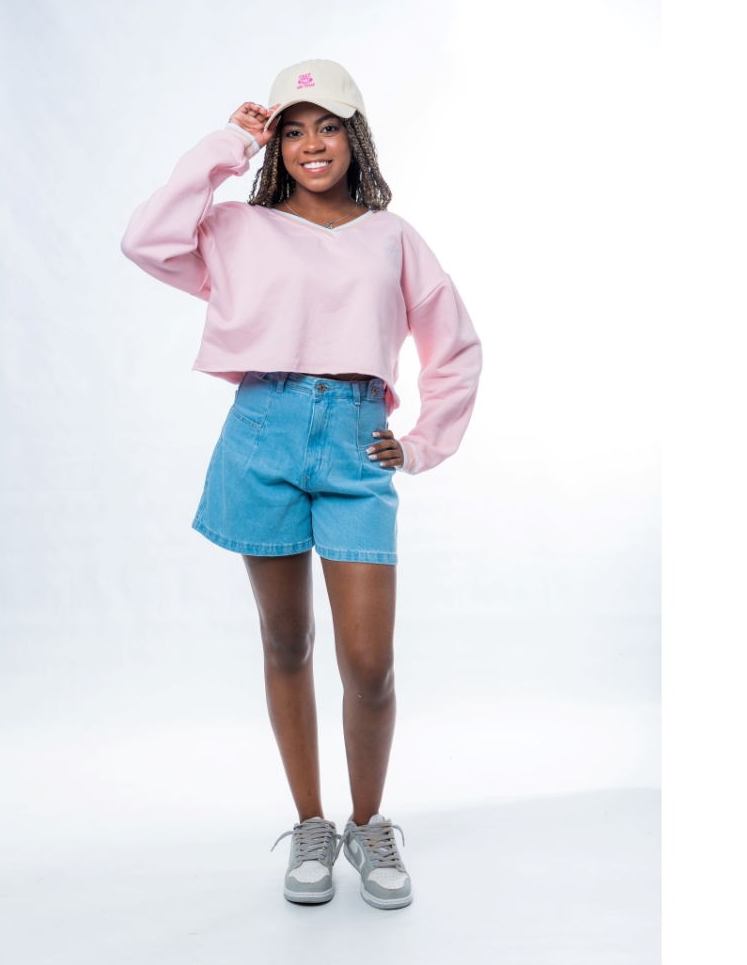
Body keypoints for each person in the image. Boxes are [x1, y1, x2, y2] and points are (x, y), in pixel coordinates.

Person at [121, 59, 482, 910]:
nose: (310, 144)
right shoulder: (238, 228)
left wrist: (421, 445)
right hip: (263, 433)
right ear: (275, 144)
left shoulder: (392, 237)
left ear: (354, 138)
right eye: (291, 129)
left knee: (370, 664)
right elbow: (146, 240)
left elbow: (456, 345)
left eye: (326, 126)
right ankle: (311, 825)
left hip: (357, 443)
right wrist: (228, 142)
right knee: (286, 643)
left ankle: (368, 823)